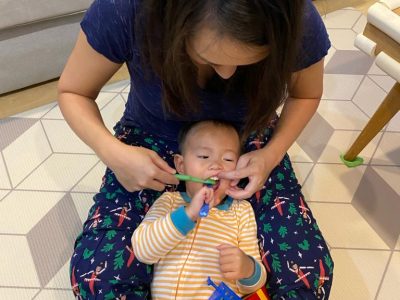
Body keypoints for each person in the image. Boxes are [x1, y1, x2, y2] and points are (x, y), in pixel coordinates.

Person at [59, 0, 334, 299]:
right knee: (100, 282)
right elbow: (74, 91)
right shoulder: (125, 9)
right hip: (148, 143)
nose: (228, 74)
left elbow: (306, 94)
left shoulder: (294, 14)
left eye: (250, 62)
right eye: (211, 59)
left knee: (308, 278)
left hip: (251, 147)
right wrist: (114, 154)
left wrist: (270, 155)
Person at [131, 120, 267, 299]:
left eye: (228, 159)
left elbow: (256, 284)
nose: (216, 166)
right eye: (204, 156)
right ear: (181, 165)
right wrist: (188, 214)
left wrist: (247, 268)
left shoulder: (241, 212)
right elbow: (143, 250)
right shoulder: (169, 201)